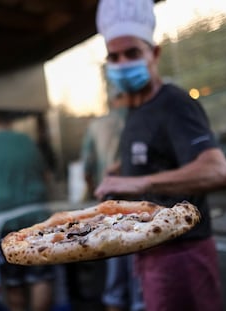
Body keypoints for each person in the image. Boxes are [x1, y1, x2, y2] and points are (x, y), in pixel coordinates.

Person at [94, 1, 226, 311]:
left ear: (154, 53)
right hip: (150, 251)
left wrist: (138, 183)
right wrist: (121, 172)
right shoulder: (136, 109)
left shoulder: (174, 103)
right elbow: (152, 157)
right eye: (114, 57)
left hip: (183, 254)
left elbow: (218, 171)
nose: (122, 62)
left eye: (131, 53)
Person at [0, 112, 55, 311]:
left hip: (8, 222)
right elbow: (47, 176)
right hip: (40, 217)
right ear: (8, 125)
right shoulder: (26, 140)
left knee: (14, 282)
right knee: (41, 276)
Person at [81, 90, 144, 311]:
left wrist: (94, 194)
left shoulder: (97, 125)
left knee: (115, 282)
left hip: (109, 206)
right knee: (139, 282)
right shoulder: (139, 117)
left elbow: (87, 169)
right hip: (139, 207)